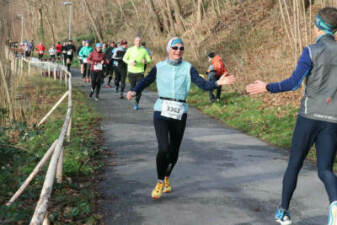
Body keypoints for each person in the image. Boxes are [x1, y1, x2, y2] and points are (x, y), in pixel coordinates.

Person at [246, 7, 337, 225]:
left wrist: (266, 86)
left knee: (294, 164)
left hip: (308, 117)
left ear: (317, 26)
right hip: (333, 120)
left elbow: (294, 83)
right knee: (325, 169)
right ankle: (335, 205)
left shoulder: (311, 51)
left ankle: (284, 211)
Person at [127, 37, 236, 200]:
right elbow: (146, 80)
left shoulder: (188, 68)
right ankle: (159, 181)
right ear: (168, 49)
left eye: (181, 48)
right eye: (175, 48)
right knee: (163, 148)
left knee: (174, 151)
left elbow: (203, 84)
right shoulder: (159, 67)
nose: (178, 51)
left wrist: (218, 83)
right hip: (161, 110)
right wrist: (135, 90)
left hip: (179, 111)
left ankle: (167, 176)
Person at [123, 36, 152, 110]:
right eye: (136, 41)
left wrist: (145, 61)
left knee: (139, 88)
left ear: (140, 42)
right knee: (132, 88)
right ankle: (131, 94)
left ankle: (136, 103)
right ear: (134, 42)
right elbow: (124, 59)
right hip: (131, 72)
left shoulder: (144, 50)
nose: (138, 42)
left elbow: (149, 60)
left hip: (140, 72)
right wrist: (130, 62)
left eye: (139, 41)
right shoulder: (130, 50)